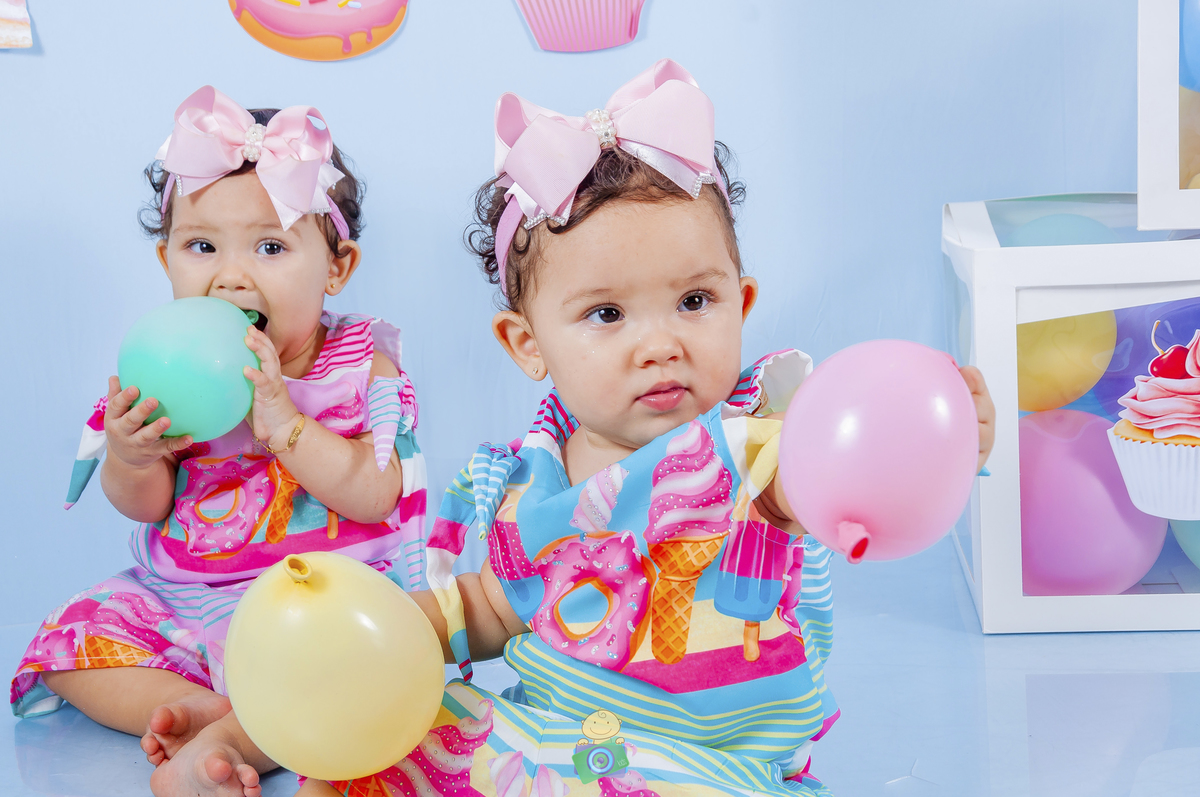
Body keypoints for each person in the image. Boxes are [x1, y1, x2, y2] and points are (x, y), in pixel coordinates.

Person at [299, 59, 996, 797]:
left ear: (741, 303)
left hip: (709, 760)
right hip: (557, 742)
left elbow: (826, 477)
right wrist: (378, 639)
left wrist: (927, 440)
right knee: (396, 733)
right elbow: (497, 606)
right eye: (607, 314)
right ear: (528, 344)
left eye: (694, 301)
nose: (661, 344)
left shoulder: (760, 445)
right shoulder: (533, 475)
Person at [10, 86, 428, 797]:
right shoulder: (169, 369)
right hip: (186, 603)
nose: (232, 276)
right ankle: (210, 708)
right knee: (70, 638)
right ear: (165, 259)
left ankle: (234, 737)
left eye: (271, 247)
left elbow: (376, 493)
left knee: (354, 673)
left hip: (320, 608)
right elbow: (146, 506)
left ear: (336, 268)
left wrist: (286, 423)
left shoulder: (358, 366)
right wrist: (133, 454)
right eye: (202, 246)